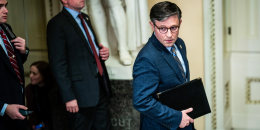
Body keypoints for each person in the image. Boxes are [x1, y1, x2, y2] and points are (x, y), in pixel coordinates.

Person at [46, 0, 112, 130]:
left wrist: (101, 53)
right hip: (78, 96)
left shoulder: (85, 18)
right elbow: (58, 64)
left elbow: (85, 52)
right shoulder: (56, 24)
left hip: (100, 88)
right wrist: (69, 97)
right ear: (64, 0)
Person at [132, 1, 195, 130]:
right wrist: (177, 118)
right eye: (162, 28)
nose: (169, 35)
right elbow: (141, 101)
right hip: (161, 126)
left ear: (180, 23)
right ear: (152, 25)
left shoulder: (180, 44)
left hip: (185, 122)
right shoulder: (146, 58)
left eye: (174, 27)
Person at [0, 0, 30, 129]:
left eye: (6, 6)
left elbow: (9, 65)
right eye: (0, 6)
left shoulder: (6, 28)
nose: (6, 10)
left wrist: (24, 51)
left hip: (17, 105)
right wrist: (4, 108)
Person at [25, 61, 57, 130]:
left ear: (44, 74)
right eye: (30, 73)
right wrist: (36, 126)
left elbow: (56, 115)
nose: (31, 76)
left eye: (34, 74)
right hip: (37, 125)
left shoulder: (54, 89)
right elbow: (31, 111)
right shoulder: (29, 89)